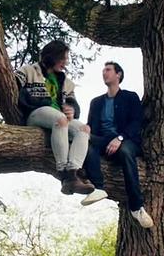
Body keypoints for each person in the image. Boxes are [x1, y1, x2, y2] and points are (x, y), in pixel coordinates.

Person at [16, 40, 96, 195]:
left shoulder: (67, 83)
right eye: (62, 58)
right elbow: (13, 89)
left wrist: (72, 110)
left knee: (84, 129)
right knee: (61, 119)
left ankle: (72, 173)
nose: (65, 63)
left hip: (61, 120)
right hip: (35, 114)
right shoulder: (28, 70)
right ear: (52, 56)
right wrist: (35, 102)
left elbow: (74, 105)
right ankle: (63, 172)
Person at [81, 61, 153, 228]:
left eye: (108, 70)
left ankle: (137, 207)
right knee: (86, 142)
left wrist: (120, 138)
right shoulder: (96, 102)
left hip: (126, 140)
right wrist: (86, 129)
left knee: (127, 152)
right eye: (103, 70)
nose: (104, 73)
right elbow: (91, 125)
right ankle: (97, 188)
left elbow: (136, 122)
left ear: (118, 74)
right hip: (103, 141)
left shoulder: (130, 97)